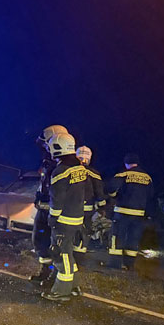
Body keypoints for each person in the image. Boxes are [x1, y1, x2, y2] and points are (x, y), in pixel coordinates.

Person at [42, 132, 88, 301]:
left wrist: (52, 218)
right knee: (68, 253)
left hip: (63, 220)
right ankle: (74, 287)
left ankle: (62, 291)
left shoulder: (60, 171)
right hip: (77, 218)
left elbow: (57, 199)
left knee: (61, 255)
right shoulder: (79, 168)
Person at [29, 124, 69, 287]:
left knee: (55, 246)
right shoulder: (49, 161)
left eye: (46, 144)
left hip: (55, 212)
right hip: (44, 209)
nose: (45, 147)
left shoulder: (64, 165)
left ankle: (53, 276)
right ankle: (45, 271)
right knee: (40, 242)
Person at [106, 153, 154, 271]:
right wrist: (148, 214)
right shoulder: (147, 177)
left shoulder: (123, 174)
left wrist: (114, 196)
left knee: (117, 237)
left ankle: (115, 264)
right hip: (139, 214)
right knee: (133, 239)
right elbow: (151, 197)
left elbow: (111, 188)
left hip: (122, 212)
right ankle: (129, 264)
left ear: (126, 163)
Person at [74, 146, 105, 262]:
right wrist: (102, 206)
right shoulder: (94, 173)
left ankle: (67, 255)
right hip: (87, 210)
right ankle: (79, 257)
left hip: (70, 209)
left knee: (69, 231)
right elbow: (99, 191)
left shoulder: (68, 171)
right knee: (84, 231)